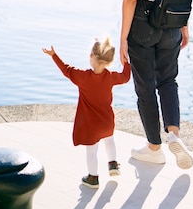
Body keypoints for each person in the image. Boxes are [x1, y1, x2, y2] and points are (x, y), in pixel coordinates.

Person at [120, 0, 193, 169]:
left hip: (142, 24)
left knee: (145, 89)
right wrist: (184, 28)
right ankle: (173, 133)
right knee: (168, 81)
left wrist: (123, 38)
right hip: (171, 24)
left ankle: (154, 148)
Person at [42, 37, 131, 189]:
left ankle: (93, 178)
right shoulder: (110, 77)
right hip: (107, 121)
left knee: (92, 151)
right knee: (109, 140)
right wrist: (126, 63)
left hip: (91, 125)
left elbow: (66, 70)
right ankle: (113, 163)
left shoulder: (83, 77)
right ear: (109, 61)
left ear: (92, 57)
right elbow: (125, 78)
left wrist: (54, 55)